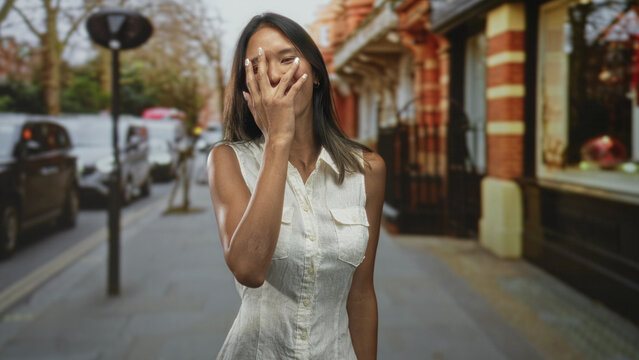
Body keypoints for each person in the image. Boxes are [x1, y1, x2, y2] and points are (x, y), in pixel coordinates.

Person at [207, 12, 385, 360]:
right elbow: (249, 268)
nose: (274, 75)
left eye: (287, 59)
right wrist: (278, 140)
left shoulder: (368, 169)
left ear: (315, 72)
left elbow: (361, 293)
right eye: (256, 67)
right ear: (247, 87)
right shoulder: (227, 160)